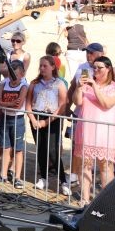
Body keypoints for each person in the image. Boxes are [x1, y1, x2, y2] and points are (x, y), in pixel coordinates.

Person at [71, 56, 115, 205]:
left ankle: (106, 201)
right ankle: (85, 198)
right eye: (94, 67)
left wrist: (94, 86)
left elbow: (106, 103)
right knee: (85, 165)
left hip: (104, 132)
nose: (96, 70)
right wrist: (78, 87)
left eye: (100, 68)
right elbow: (77, 101)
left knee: (105, 167)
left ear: (108, 69)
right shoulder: (86, 86)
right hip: (86, 129)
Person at [25, 56, 69, 192]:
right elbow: (28, 103)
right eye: (41, 66)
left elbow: (62, 105)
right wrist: (33, 119)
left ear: (53, 67)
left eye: (45, 66)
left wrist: (46, 122)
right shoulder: (34, 83)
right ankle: (43, 177)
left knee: (53, 151)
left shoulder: (59, 84)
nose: (42, 68)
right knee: (41, 149)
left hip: (52, 119)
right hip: (36, 116)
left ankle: (63, 180)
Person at [0, 60, 28, 189]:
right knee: (5, 147)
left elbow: (18, 105)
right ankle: (3, 174)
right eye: (10, 74)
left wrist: (3, 104)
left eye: (15, 74)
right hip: (5, 118)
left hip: (17, 119)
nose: (12, 77)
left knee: (18, 149)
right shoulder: (3, 83)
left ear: (21, 74)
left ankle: (17, 177)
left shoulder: (23, 86)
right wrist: (9, 104)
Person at [63, 10, 87, 79]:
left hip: (71, 51)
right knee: (85, 73)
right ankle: (85, 84)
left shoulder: (66, 28)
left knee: (73, 74)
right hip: (83, 51)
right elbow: (88, 40)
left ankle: (75, 85)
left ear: (68, 18)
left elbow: (63, 40)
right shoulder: (83, 27)